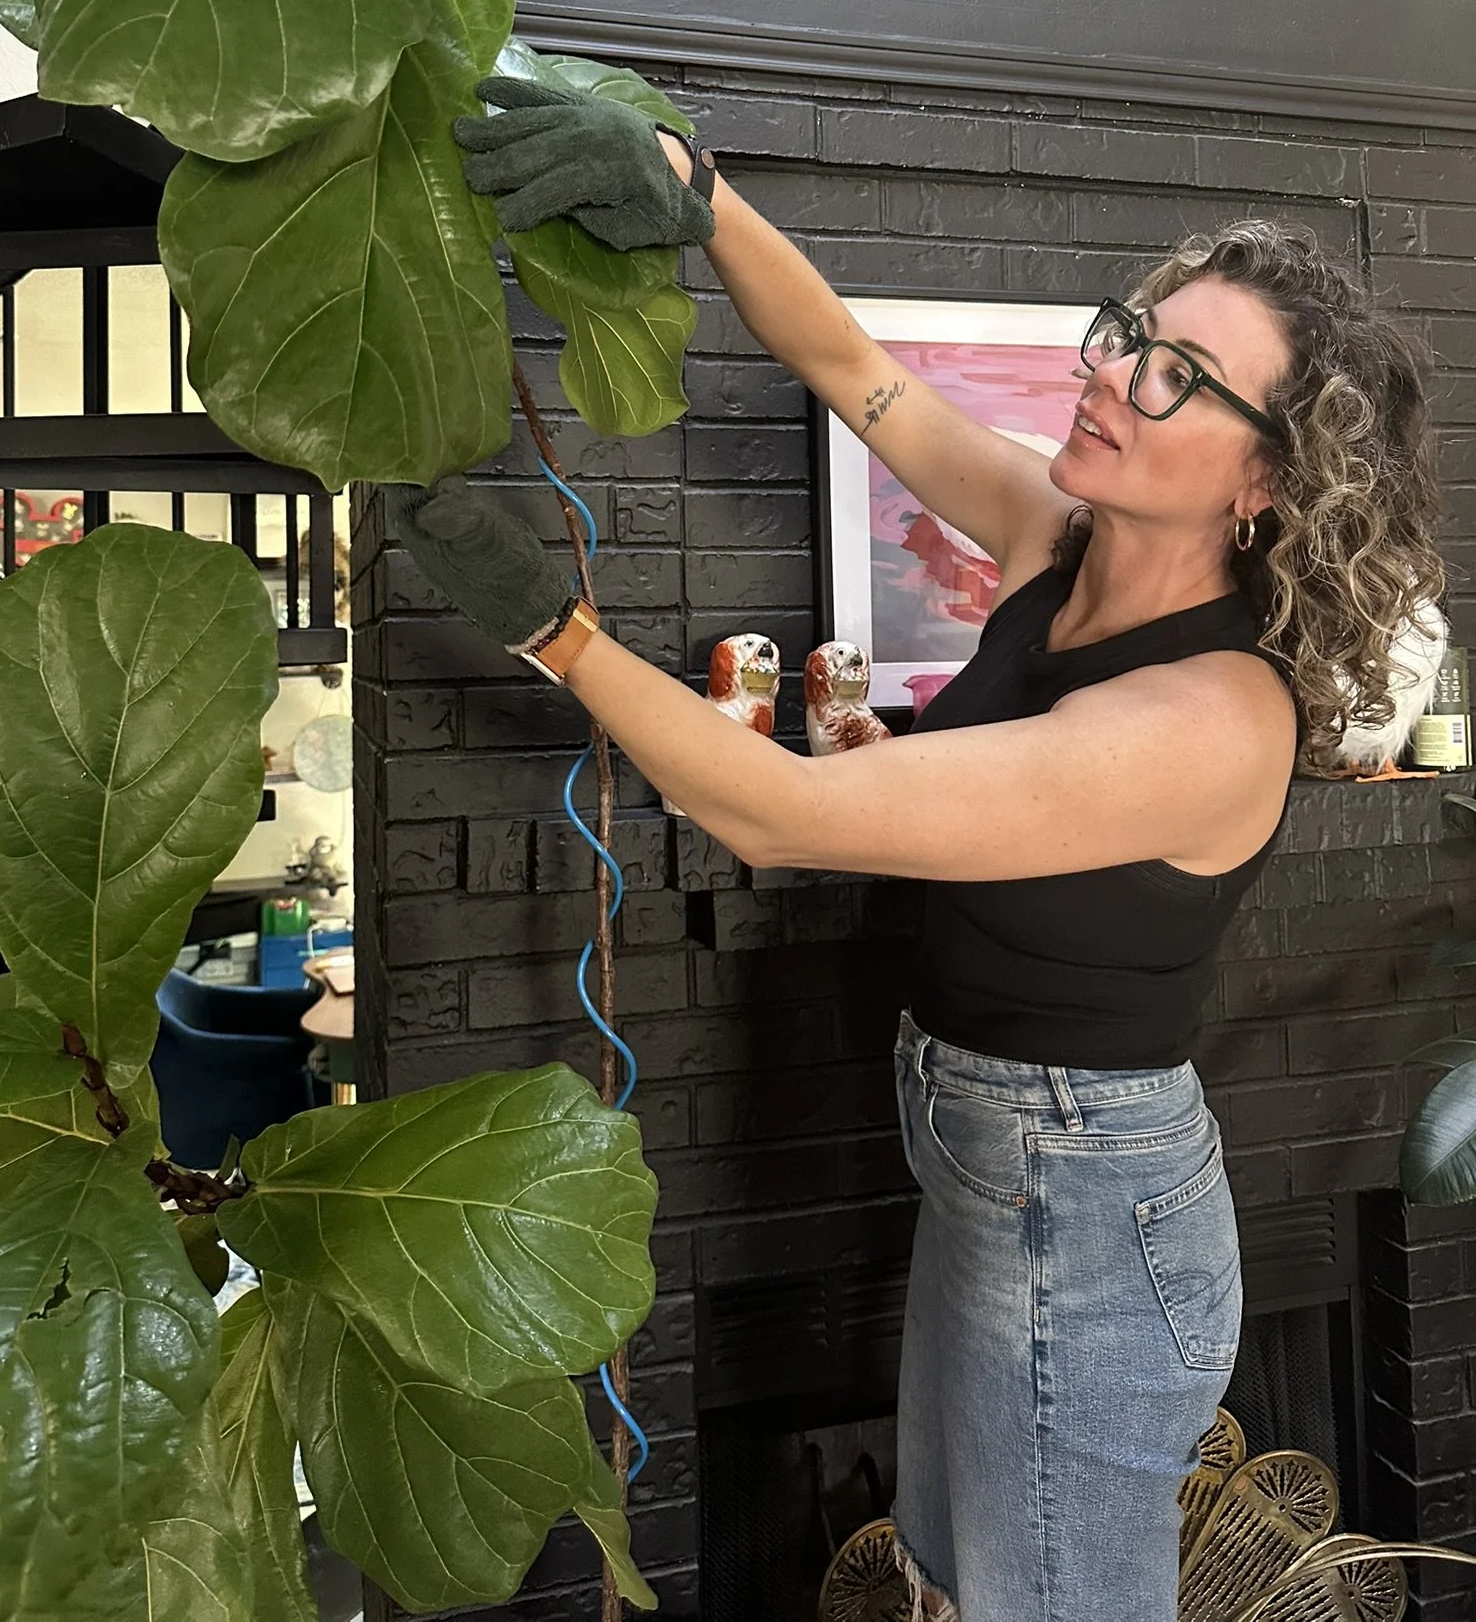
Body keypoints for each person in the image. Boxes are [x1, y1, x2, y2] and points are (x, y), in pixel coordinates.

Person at [387, 78, 1443, 1622]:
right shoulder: (1049, 537)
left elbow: (774, 814)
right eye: (1130, 336)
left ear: (1267, 477)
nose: (1113, 379)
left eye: (1177, 379)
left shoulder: (1221, 712)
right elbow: (850, 365)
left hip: (1084, 1203)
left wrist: (557, 632)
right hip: (997, 1172)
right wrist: (695, 190)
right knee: (954, 1592)